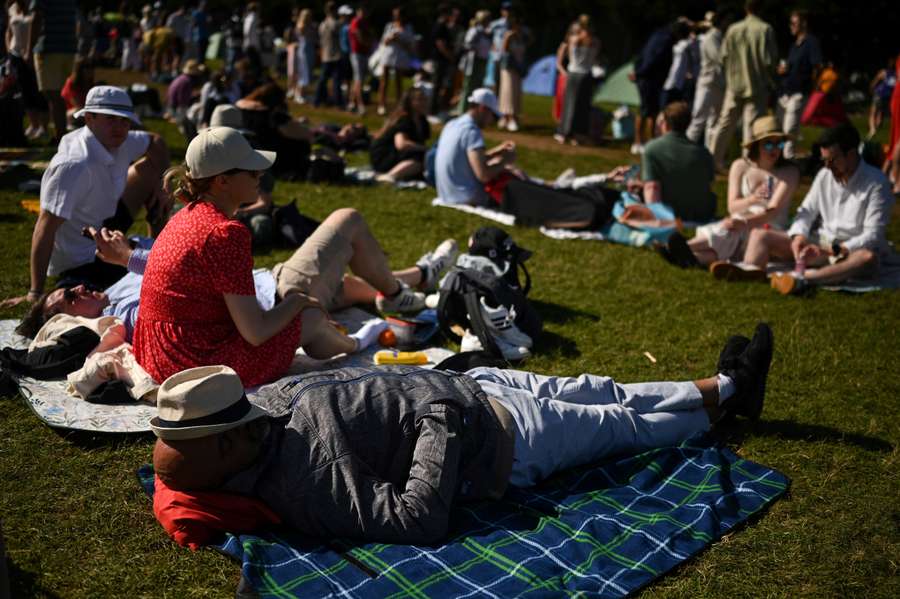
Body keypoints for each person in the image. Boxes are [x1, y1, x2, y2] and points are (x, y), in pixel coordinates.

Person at [150, 323, 774, 544]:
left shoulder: (254, 409)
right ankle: (721, 409)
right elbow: (414, 520)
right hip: (494, 436)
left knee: (598, 388)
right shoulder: (308, 482)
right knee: (619, 427)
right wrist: (438, 425)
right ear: (228, 447)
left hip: (472, 387)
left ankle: (719, 386)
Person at [132, 127, 458, 387]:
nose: (261, 175)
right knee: (313, 315)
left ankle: (399, 293)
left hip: (160, 354)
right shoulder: (224, 232)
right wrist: (296, 304)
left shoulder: (187, 215)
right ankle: (364, 341)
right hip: (200, 363)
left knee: (319, 298)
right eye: (252, 170)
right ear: (222, 181)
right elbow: (256, 333)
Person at [0, 86, 170, 310]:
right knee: (155, 279)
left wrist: (162, 182)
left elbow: (156, 141)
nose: (120, 127)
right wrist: (35, 291)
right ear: (89, 118)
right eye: (111, 119)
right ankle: (149, 249)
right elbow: (46, 226)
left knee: (150, 169)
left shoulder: (118, 139)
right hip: (81, 259)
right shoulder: (73, 164)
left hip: (105, 223)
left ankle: (152, 240)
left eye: (125, 121)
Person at [734, 124, 895, 295]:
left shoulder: (876, 183)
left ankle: (804, 279)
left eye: (832, 160)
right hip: (820, 244)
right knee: (760, 235)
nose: (827, 166)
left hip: (849, 250)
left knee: (867, 258)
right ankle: (750, 272)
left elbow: (873, 235)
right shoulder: (825, 175)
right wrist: (798, 237)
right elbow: (806, 211)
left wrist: (835, 250)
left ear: (852, 154)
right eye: (824, 160)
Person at [661, 116, 799, 270]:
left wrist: (744, 222)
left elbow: (772, 211)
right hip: (737, 224)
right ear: (756, 145)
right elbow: (732, 207)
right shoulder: (740, 166)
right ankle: (688, 258)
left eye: (779, 143)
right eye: (768, 144)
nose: (775, 149)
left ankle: (682, 247)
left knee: (727, 231)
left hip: (768, 227)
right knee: (726, 238)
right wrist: (753, 199)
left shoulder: (789, 172)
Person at [708, 0, 778, 171]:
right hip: (756, 84)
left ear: (745, 8)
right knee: (750, 126)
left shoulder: (733, 29)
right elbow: (769, 60)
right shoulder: (765, 29)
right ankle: (747, 166)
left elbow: (723, 57)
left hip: (734, 84)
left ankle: (711, 161)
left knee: (724, 124)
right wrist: (772, 80)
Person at [632, 101, 717, 223]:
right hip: (702, 214)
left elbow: (652, 188)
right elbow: (705, 185)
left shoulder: (653, 148)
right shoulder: (703, 152)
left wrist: (654, 219)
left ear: (665, 123)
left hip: (670, 214)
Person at [28, 0, 77, 144]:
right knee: (62, 95)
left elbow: (36, 18)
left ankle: (60, 136)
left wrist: (30, 48)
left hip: (48, 48)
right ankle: (63, 133)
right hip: (68, 46)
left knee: (53, 95)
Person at [776, 10, 822, 160]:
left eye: (794, 23)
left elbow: (817, 66)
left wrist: (812, 86)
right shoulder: (794, 46)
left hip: (798, 92)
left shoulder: (811, 43)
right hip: (785, 92)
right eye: (791, 23)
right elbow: (791, 66)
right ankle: (779, 157)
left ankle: (787, 160)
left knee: (790, 128)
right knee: (781, 129)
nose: (791, 26)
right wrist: (783, 70)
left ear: (804, 23)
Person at [6, 0, 50, 140]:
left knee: (38, 90)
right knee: (25, 91)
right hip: (16, 55)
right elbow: (8, 32)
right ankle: (33, 125)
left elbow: (39, 27)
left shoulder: (35, 6)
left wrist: (29, 52)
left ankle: (43, 127)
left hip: (34, 54)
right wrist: (9, 50)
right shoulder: (12, 7)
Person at [629, 22, 674, 155]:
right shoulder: (665, 40)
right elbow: (654, 59)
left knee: (646, 110)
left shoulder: (656, 36)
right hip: (650, 79)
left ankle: (642, 142)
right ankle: (642, 142)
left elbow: (643, 55)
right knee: (648, 112)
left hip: (645, 77)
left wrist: (638, 72)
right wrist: (641, 72)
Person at [554, 15, 599, 145]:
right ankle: (568, 133)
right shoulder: (590, 40)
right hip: (579, 73)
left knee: (576, 105)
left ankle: (571, 133)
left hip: (579, 73)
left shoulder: (579, 39)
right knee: (574, 105)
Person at [370, 87, 430, 183]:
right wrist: (425, 148)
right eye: (420, 99)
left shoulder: (422, 121)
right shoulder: (404, 119)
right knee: (419, 157)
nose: (425, 102)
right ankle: (390, 176)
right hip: (384, 155)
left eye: (425, 99)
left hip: (399, 154)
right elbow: (401, 144)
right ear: (411, 103)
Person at [686, 11, 727, 148]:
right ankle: (685, 153)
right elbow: (720, 58)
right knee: (698, 120)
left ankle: (709, 155)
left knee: (714, 121)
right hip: (708, 84)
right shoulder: (711, 37)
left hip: (717, 84)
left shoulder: (718, 36)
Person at [375, 6, 415, 116]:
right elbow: (384, 42)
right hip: (388, 55)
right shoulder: (389, 26)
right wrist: (390, 38)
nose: (396, 17)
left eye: (398, 15)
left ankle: (399, 106)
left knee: (399, 82)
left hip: (400, 57)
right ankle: (381, 104)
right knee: (384, 81)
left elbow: (410, 45)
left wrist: (399, 40)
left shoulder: (408, 28)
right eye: (395, 15)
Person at [456, 10, 491, 114]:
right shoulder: (475, 31)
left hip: (482, 61)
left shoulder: (486, 32)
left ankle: (473, 110)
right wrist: (475, 49)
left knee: (477, 87)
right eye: (487, 19)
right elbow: (467, 44)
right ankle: (462, 110)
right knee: (468, 87)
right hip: (473, 62)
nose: (489, 21)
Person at [497, 13, 526, 132]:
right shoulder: (509, 35)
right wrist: (509, 36)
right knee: (508, 92)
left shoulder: (521, 37)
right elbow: (504, 50)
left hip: (518, 68)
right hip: (508, 68)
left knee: (516, 92)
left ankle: (512, 116)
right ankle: (507, 116)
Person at [313, 2, 343, 108]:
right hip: (335, 55)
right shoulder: (335, 23)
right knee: (336, 80)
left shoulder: (322, 24)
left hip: (326, 55)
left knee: (322, 80)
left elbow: (320, 41)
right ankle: (338, 102)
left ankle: (317, 100)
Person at [429, 4, 456, 118]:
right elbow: (440, 44)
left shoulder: (443, 25)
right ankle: (432, 111)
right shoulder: (440, 26)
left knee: (440, 85)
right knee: (437, 85)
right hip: (440, 60)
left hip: (441, 60)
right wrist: (450, 56)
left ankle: (437, 109)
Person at [347, 4, 372, 116]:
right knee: (359, 79)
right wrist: (368, 43)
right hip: (356, 53)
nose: (364, 14)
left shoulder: (365, 23)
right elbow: (360, 36)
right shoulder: (356, 21)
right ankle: (360, 105)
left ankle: (351, 103)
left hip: (363, 53)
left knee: (357, 78)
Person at [868, 56, 896, 141]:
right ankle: (877, 127)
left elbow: (875, 82)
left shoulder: (883, 72)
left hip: (879, 94)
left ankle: (872, 129)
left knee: (873, 112)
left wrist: (871, 88)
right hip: (888, 96)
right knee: (881, 112)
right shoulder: (897, 75)